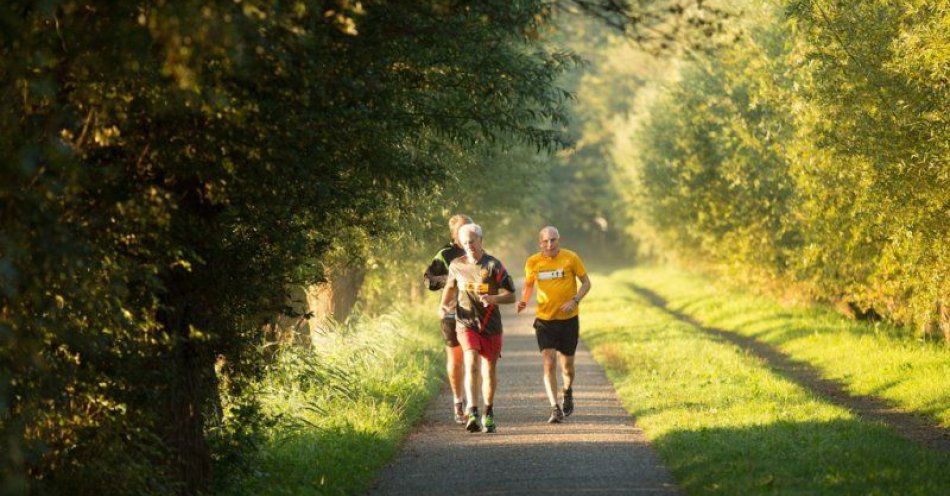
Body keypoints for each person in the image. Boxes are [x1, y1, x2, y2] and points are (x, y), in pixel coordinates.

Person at [441, 223, 515, 433]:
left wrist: (492, 298)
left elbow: (511, 295)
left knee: (488, 370)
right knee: (471, 360)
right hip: (466, 323)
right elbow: (450, 286)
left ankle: (488, 411)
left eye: (472, 241)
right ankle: (472, 410)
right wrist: (443, 306)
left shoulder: (494, 265)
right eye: (465, 243)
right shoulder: (456, 265)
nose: (469, 246)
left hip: (491, 325)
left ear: (481, 240)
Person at [517, 226, 591, 423]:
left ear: (559, 240)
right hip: (544, 321)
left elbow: (586, 283)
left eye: (554, 240)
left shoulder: (570, 258)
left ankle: (567, 392)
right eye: (546, 241)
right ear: (540, 243)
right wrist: (523, 301)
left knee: (567, 367)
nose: (550, 244)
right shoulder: (533, 262)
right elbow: (529, 285)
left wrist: (575, 300)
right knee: (549, 363)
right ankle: (554, 407)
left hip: (568, 320)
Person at [423, 214, 472, 424]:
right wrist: (452, 280)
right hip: (452, 314)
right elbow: (429, 280)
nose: (465, 232)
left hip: (474, 313)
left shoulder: (477, 250)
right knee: (457, 359)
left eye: (468, 227)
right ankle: (458, 402)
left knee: (473, 358)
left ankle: (473, 405)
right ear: (453, 234)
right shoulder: (444, 254)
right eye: (461, 229)